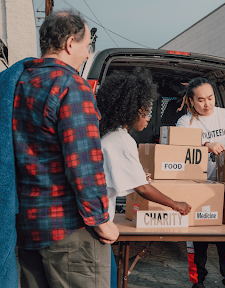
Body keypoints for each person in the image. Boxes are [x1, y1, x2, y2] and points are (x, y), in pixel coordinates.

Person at [12, 10, 119, 288]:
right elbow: (83, 163)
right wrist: (100, 219)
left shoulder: (16, 84)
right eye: (87, 47)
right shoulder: (71, 86)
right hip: (69, 230)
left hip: (26, 228)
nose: (86, 55)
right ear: (70, 44)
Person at [96, 68, 192, 287]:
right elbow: (142, 188)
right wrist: (175, 204)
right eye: (146, 113)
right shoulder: (122, 140)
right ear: (131, 111)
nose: (149, 119)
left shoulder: (109, 135)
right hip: (98, 225)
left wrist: (140, 177)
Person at [176, 77, 225, 288]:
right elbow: (180, 145)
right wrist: (206, 144)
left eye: (210, 98)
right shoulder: (185, 122)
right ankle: (198, 283)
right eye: (201, 99)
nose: (207, 104)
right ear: (191, 100)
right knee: (198, 241)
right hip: (197, 189)